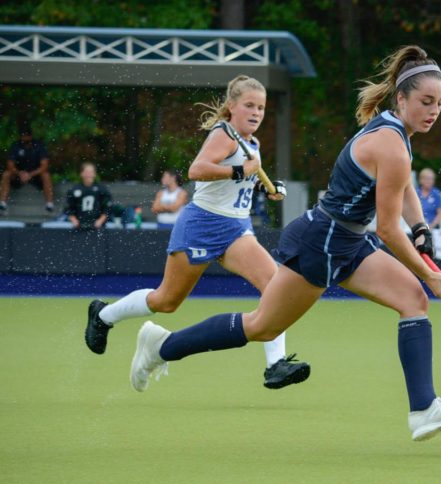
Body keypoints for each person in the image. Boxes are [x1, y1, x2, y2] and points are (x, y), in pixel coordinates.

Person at [127, 46, 441, 441]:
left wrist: (421, 228)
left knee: (412, 300)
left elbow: (401, 184)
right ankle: (161, 346)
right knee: (261, 326)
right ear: (401, 98)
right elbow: (387, 229)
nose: (434, 110)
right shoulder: (391, 142)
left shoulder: (395, 130)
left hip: (348, 240)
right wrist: (428, 272)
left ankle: (424, 409)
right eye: (426, 101)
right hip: (322, 242)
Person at [84, 75, 310, 390]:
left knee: (274, 286)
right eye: (249, 105)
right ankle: (104, 315)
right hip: (202, 225)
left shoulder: (251, 143)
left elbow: (242, 178)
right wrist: (239, 171)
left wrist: (267, 187)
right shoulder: (225, 134)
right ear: (232, 106)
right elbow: (197, 170)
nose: (256, 112)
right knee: (167, 300)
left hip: (236, 229)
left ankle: (275, 365)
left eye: (261, 107)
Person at [0, 123, 55, 215]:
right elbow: (10, 165)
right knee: (6, 174)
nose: (25, 138)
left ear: (31, 136)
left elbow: (44, 166)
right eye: (23, 136)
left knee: (46, 175)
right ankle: (2, 203)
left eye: (26, 136)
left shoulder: (39, 146)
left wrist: (30, 174)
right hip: (19, 176)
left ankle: (49, 204)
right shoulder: (16, 146)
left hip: (35, 176)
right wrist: (20, 173)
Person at [65, 162, 112, 230]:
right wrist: (74, 221)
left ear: (94, 174)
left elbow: (107, 207)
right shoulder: (74, 189)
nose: (88, 174)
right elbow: (69, 208)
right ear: (81, 173)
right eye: (86, 172)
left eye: (91, 172)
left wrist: (100, 221)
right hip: (79, 226)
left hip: (98, 226)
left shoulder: (101, 189)